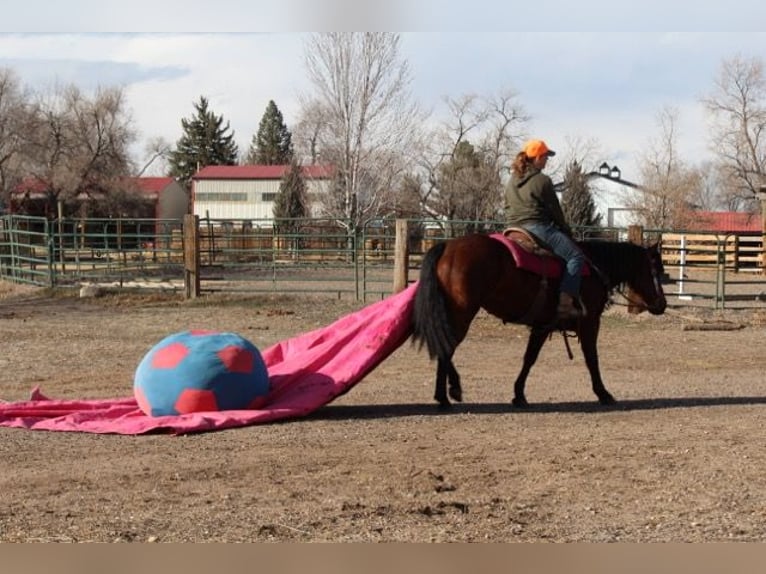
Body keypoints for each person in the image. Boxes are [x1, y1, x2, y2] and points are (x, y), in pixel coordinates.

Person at [504, 139, 585, 319]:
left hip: (512, 229)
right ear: (538, 158)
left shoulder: (511, 180)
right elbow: (555, 211)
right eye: (546, 157)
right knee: (575, 256)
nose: (547, 161)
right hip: (536, 228)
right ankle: (565, 304)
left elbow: (506, 207)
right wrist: (566, 231)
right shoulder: (543, 180)